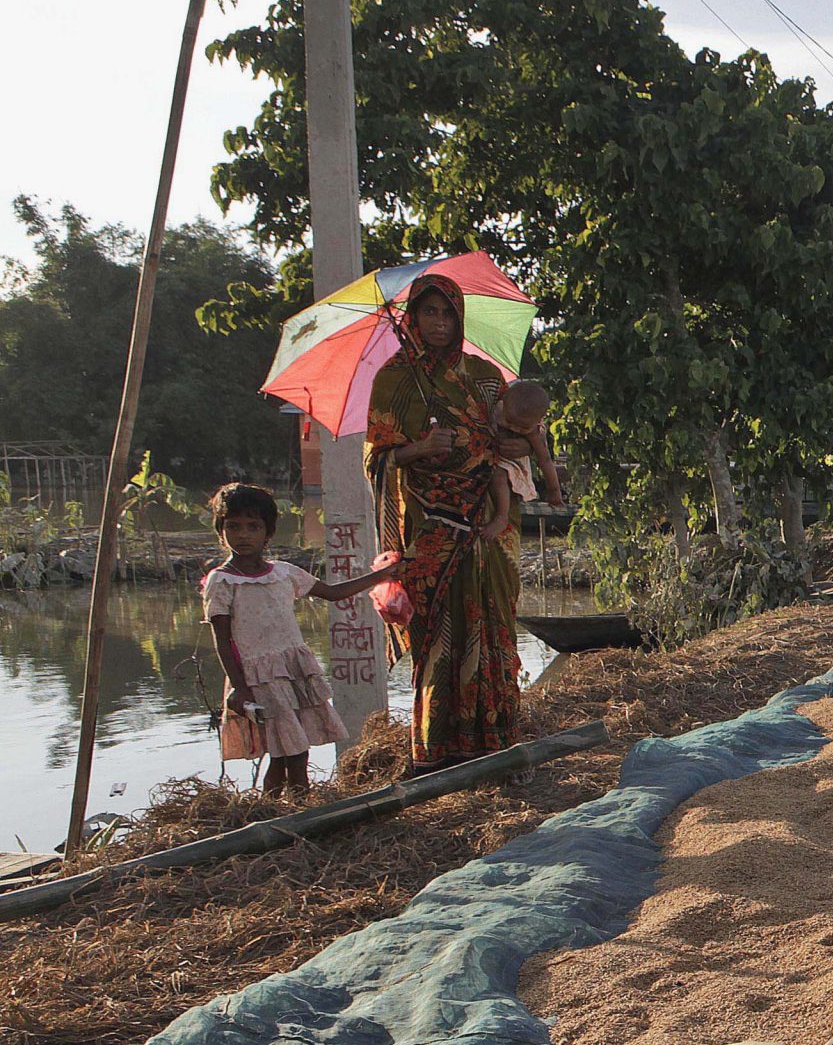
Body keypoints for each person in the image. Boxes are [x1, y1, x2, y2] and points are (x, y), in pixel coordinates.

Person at [363, 271, 525, 772]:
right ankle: (437, 750)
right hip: (430, 526)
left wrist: (516, 446)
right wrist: (420, 448)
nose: (438, 322)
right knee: (435, 634)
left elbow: (515, 440)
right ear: (411, 318)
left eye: (447, 312)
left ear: (460, 318)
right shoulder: (391, 380)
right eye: (428, 312)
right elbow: (377, 457)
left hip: (488, 524)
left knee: (493, 626)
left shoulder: (485, 377)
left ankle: (497, 741)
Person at [202, 481, 402, 795]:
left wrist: (380, 576)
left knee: (295, 751)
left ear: (268, 533)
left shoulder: (283, 573)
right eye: (233, 527)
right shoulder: (223, 581)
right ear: (221, 531)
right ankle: (291, 809)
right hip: (259, 677)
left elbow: (334, 593)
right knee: (288, 752)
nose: (243, 535)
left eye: (253, 527)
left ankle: (288, 810)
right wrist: (240, 689)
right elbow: (223, 640)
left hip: (293, 669)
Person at [483, 378, 563, 539]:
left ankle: (501, 516)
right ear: (502, 403)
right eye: (510, 422)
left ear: (538, 420)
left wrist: (554, 491)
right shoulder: (491, 407)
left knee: (499, 474)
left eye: (523, 427)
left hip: (512, 463)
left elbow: (545, 460)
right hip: (488, 456)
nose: (515, 429)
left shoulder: (533, 431)